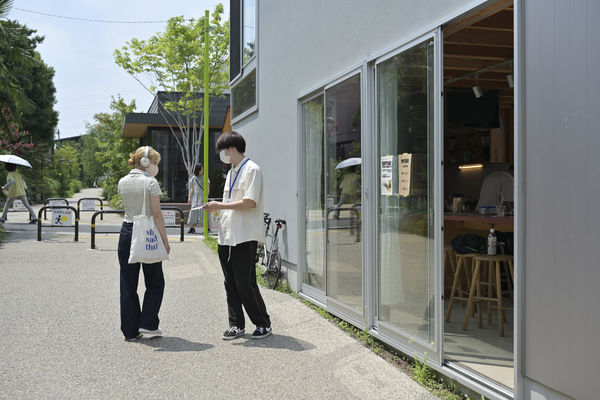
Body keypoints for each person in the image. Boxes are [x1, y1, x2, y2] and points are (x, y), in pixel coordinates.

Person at [203, 131, 272, 340]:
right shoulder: (232, 171)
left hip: (244, 236)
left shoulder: (252, 170)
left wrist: (219, 205)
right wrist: (218, 207)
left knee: (245, 282)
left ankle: (262, 323)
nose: (222, 155)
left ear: (231, 149)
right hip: (226, 236)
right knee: (230, 283)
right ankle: (236, 325)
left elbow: (250, 202)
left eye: (223, 150)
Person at [117, 146, 170, 342]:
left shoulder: (122, 182)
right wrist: (165, 241)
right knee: (155, 281)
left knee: (128, 283)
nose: (157, 166)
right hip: (148, 233)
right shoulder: (151, 182)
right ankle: (148, 322)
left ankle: (130, 331)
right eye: (155, 162)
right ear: (146, 163)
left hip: (127, 231)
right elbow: (156, 214)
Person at [187, 163, 210, 233]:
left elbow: (208, 188)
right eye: (201, 170)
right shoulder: (194, 178)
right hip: (195, 198)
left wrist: (206, 197)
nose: (202, 171)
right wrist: (189, 197)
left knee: (204, 212)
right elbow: (192, 189)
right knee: (194, 212)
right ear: (198, 170)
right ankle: (192, 227)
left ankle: (207, 228)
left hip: (202, 197)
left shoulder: (205, 177)